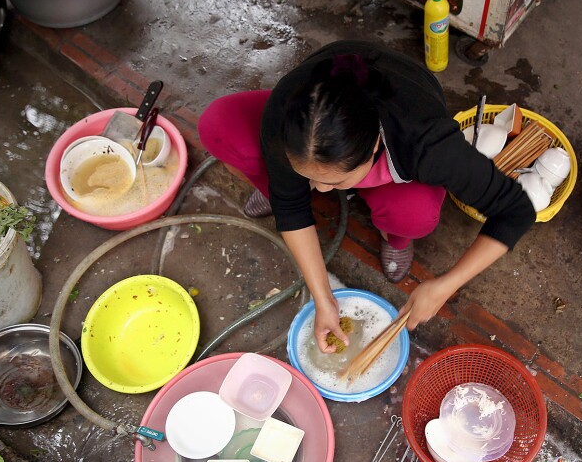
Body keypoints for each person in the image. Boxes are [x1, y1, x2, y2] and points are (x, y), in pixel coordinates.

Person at [198, 40, 535, 354]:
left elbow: (516, 211)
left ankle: (396, 237)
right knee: (220, 125)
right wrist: (323, 299)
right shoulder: (290, 122)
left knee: (415, 215)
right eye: (310, 178)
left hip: (399, 136)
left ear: (374, 146)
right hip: (329, 119)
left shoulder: (428, 145)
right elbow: (292, 207)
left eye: (335, 180)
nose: (322, 191)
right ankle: (284, 179)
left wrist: (445, 284)